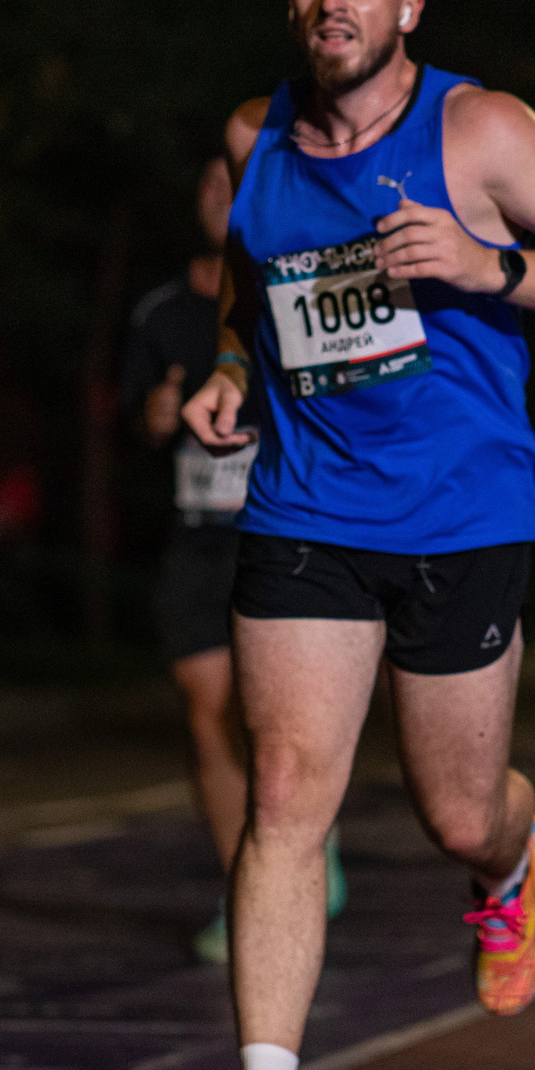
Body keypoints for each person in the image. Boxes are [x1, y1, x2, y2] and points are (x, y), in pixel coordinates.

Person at [169, 0, 535, 1070]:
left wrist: (490, 265)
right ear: (294, 5)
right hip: (307, 506)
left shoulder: (481, 127)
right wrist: (226, 366)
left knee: (454, 810)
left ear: (408, 9)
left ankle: (511, 856)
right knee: (287, 789)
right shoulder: (252, 137)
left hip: (462, 516)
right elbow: (244, 270)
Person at [120, 158, 348, 964]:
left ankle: (301, 830)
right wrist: (153, 415)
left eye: (236, 179)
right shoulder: (160, 309)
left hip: (287, 528)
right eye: (208, 181)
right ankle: (240, 889)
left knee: (274, 718)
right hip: (198, 533)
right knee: (205, 706)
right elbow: (141, 417)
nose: (221, 192)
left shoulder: (300, 282)